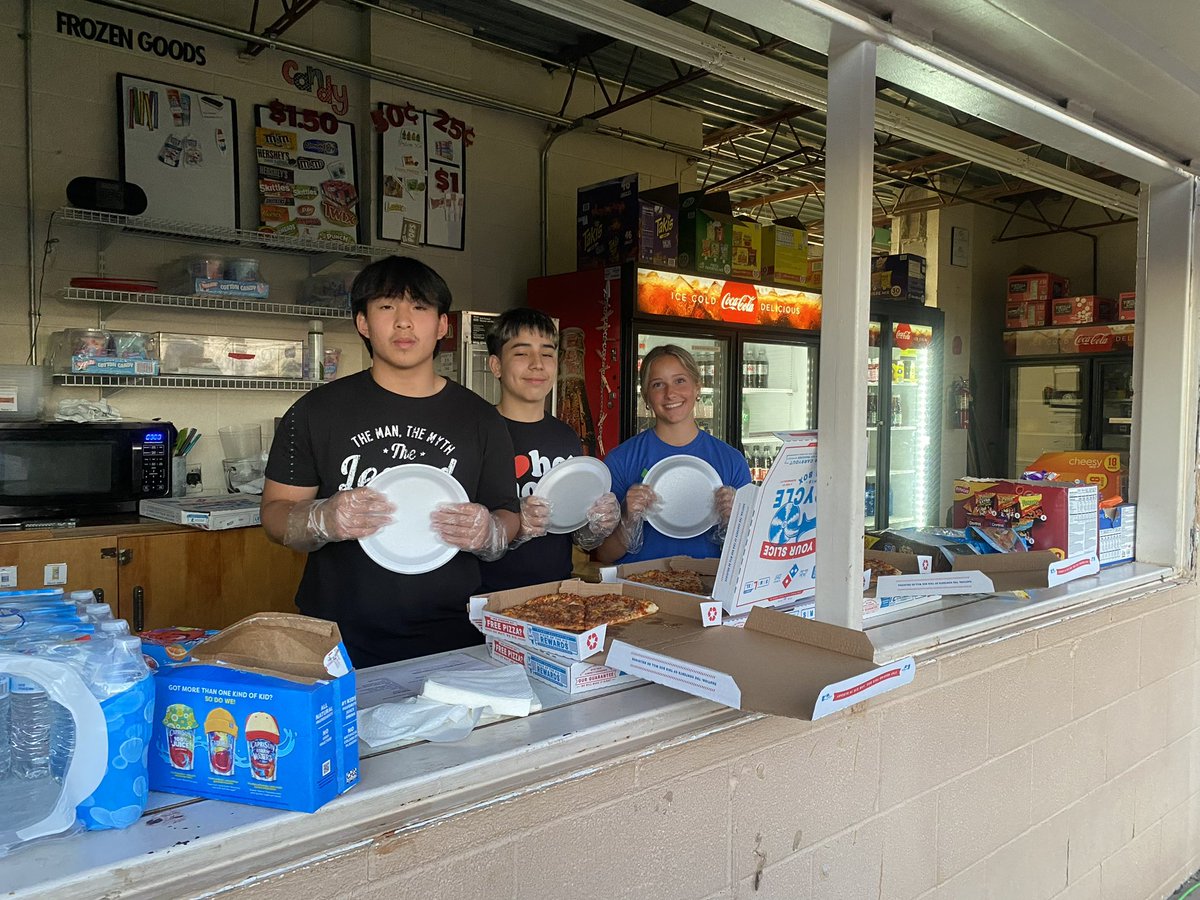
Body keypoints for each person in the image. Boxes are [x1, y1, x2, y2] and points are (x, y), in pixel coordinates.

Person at [261, 256, 520, 668]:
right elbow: (274, 515)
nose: (403, 322)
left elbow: (509, 514)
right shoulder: (315, 411)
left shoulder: (481, 418)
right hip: (337, 633)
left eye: (419, 308)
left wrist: (489, 531)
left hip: (454, 630)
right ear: (363, 323)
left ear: (441, 326)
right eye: (386, 307)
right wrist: (322, 519)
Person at [479, 308, 620, 592]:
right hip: (488, 595)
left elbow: (576, 530)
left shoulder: (565, 436)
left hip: (556, 591)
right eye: (521, 353)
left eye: (546, 353)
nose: (537, 364)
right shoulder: (476, 432)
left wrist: (597, 523)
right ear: (495, 366)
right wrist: (515, 524)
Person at [596, 344, 751, 565]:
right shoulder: (620, 460)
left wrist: (735, 521)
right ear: (646, 396)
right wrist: (627, 518)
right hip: (639, 594)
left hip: (708, 593)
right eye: (658, 384)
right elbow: (603, 555)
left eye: (680, 381)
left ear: (697, 387)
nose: (670, 393)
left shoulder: (731, 461)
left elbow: (748, 556)